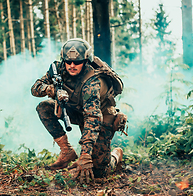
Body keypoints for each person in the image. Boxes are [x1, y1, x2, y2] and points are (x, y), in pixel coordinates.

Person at [31, 38, 127, 183]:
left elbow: (93, 118)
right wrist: (50, 89)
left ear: (86, 60)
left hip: (101, 115)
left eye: (77, 62)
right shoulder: (58, 69)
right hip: (77, 110)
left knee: (99, 172)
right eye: (68, 61)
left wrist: (85, 155)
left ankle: (116, 155)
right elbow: (35, 88)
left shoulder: (92, 82)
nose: (72, 65)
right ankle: (66, 151)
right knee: (44, 107)